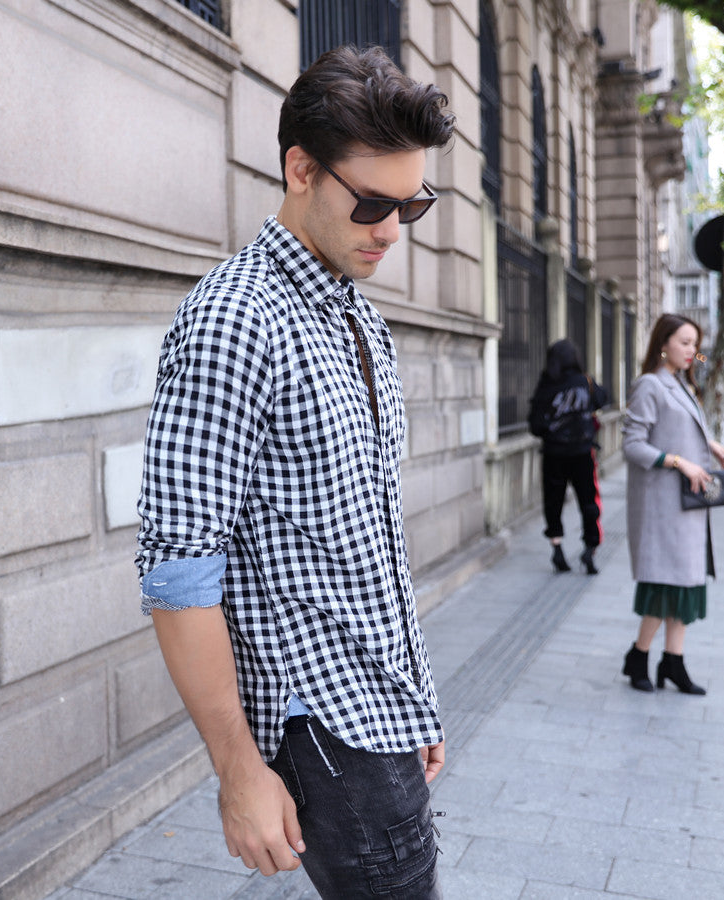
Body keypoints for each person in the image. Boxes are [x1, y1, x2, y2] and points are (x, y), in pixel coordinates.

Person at [135, 46, 455, 898]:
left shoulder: (356, 315)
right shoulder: (235, 319)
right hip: (322, 727)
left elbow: (372, 539)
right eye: (373, 203)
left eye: (412, 204)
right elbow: (178, 568)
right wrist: (238, 768)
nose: (392, 230)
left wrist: (414, 695)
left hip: (380, 708)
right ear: (301, 169)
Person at [621, 313, 724, 694]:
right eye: (685, 343)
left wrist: (711, 445)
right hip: (662, 505)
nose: (692, 351)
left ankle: (673, 661)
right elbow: (633, 445)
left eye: (695, 344)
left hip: (686, 505)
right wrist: (679, 461)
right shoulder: (650, 385)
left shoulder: (682, 384)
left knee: (685, 582)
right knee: (665, 584)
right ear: (663, 343)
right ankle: (639, 655)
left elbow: (681, 428)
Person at [528, 339, 608, 574]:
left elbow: (534, 425)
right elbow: (603, 399)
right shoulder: (585, 382)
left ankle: (557, 548)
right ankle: (590, 549)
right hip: (582, 453)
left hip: (554, 454)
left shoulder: (546, 385)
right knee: (588, 500)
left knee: (553, 501)